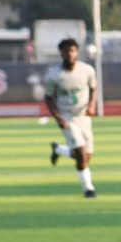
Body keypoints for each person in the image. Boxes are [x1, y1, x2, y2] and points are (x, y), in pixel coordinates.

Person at [45, 37, 99, 198]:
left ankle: (59, 150)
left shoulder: (87, 70)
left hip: (83, 116)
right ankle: (88, 189)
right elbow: (48, 98)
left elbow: (93, 88)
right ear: (60, 53)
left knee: (86, 156)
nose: (69, 54)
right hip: (67, 117)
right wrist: (58, 118)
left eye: (72, 50)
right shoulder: (53, 75)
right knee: (81, 154)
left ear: (77, 52)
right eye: (66, 51)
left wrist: (92, 105)